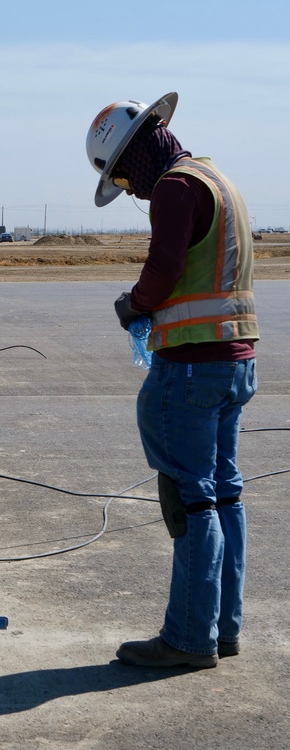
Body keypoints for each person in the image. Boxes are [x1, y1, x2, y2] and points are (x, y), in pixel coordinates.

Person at [86, 92, 258, 668]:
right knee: (224, 493)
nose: (130, 189)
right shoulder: (217, 180)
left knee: (190, 500)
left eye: (124, 175)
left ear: (137, 150)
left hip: (190, 366)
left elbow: (163, 272)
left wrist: (132, 306)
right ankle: (221, 629)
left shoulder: (174, 188)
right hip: (235, 364)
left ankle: (188, 638)